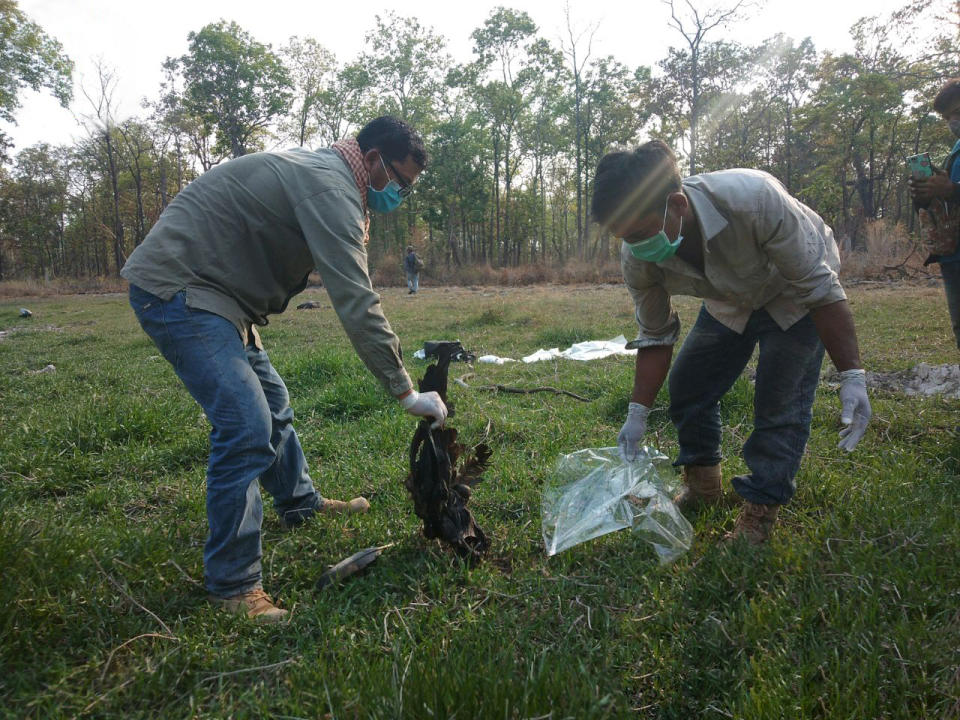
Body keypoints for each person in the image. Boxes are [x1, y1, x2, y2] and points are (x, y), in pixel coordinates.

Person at [121, 116, 448, 622]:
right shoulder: (331, 189)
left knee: (274, 406)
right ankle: (232, 586)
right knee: (247, 426)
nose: (398, 196)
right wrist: (405, 390)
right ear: (376, 159)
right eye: (399, 183)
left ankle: (299, 503)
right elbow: (355, 300)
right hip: (181, 289)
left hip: (224, 299)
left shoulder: (333, 175)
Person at [591, 140, 872, 545]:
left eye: (639, 232)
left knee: (780, 401)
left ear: (677, 204)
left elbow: (821, 291)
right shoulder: (637, 254)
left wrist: (852, 375)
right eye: (624, 237)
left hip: (792, 291)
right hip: (729, 298)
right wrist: (637, 412)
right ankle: (703, 485)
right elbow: (655, 334)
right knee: (689, 385)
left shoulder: (754, 200)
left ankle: (760, 511)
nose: (635, 245)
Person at [908, 77, 960, 350]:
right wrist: (926, 196)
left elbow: (954, 193)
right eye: (948, 116)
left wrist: (951, 189)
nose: (953, 121)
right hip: (953, 256)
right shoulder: (956, 150)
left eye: (958, 112)